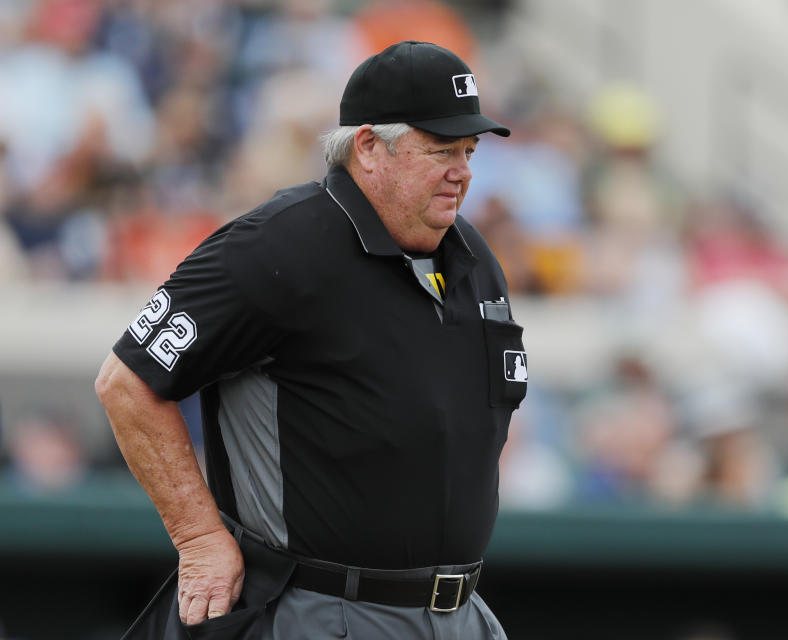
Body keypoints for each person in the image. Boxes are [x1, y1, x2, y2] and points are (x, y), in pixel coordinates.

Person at [95, 40, 525, 639]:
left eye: (470, 151)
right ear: (370, 148)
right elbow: (127, 383)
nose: (463, 171)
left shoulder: (471, 256)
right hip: (323, 611)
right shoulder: (275, 247)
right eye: (441, 150)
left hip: (461, 613)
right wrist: (198, 540)